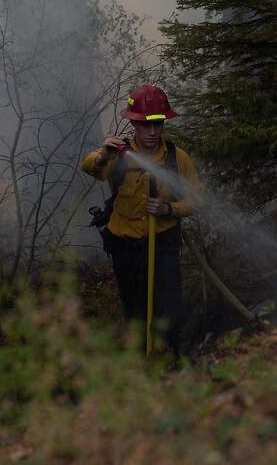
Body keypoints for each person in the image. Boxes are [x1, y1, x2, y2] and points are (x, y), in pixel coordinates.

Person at [81, 84, 201, 355]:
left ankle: (173, 359)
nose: (152, 131)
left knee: (170, 309)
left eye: (158, 124)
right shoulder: (118, 156)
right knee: (136, 311)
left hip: (163, 244)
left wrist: (169, 209)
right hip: (126, 247)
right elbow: (89, 166)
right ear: (134, 123)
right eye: (145, 125)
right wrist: (103, 155)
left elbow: (197, 200)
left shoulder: (176, 159)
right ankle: (141, 363)